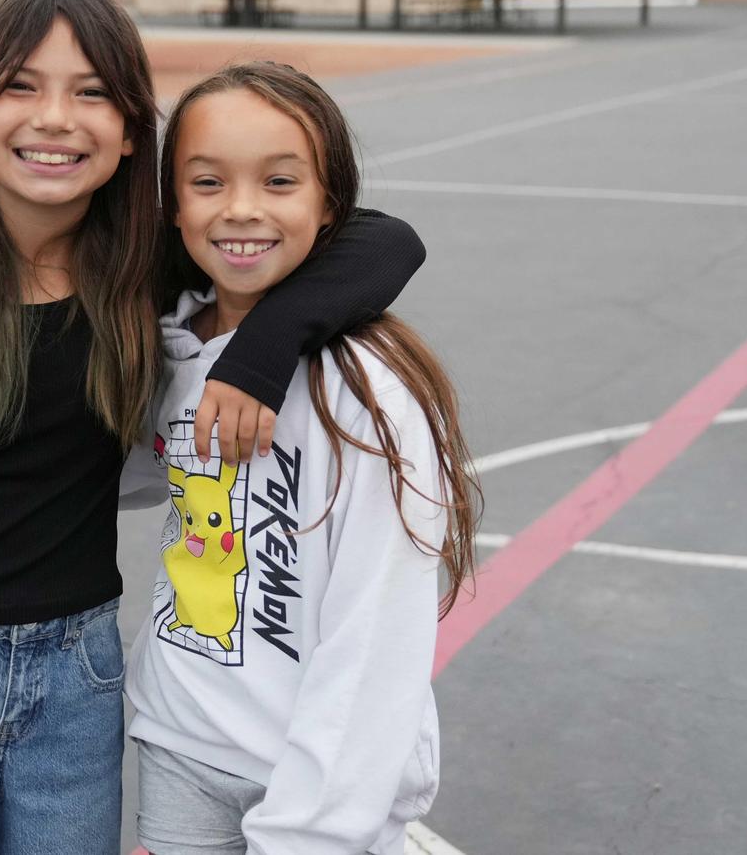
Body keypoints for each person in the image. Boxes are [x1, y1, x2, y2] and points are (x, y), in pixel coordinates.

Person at [0, 0, 427, 855]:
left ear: (129, 133)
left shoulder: (141, 270)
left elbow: (384, 238)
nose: (54, 119)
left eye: (90, 93)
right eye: (20, 86)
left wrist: (263, 354)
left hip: (74, 681)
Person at [123, 61, 480, 855]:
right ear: (172, 206)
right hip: (181, 746)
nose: (242, 208)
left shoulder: (368, 392)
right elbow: (122, 474)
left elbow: (374, 637)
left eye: (280, 181)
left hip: (313, 774)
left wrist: (314, 830)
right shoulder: (166, 350)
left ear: (330, 206)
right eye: (208, 182)